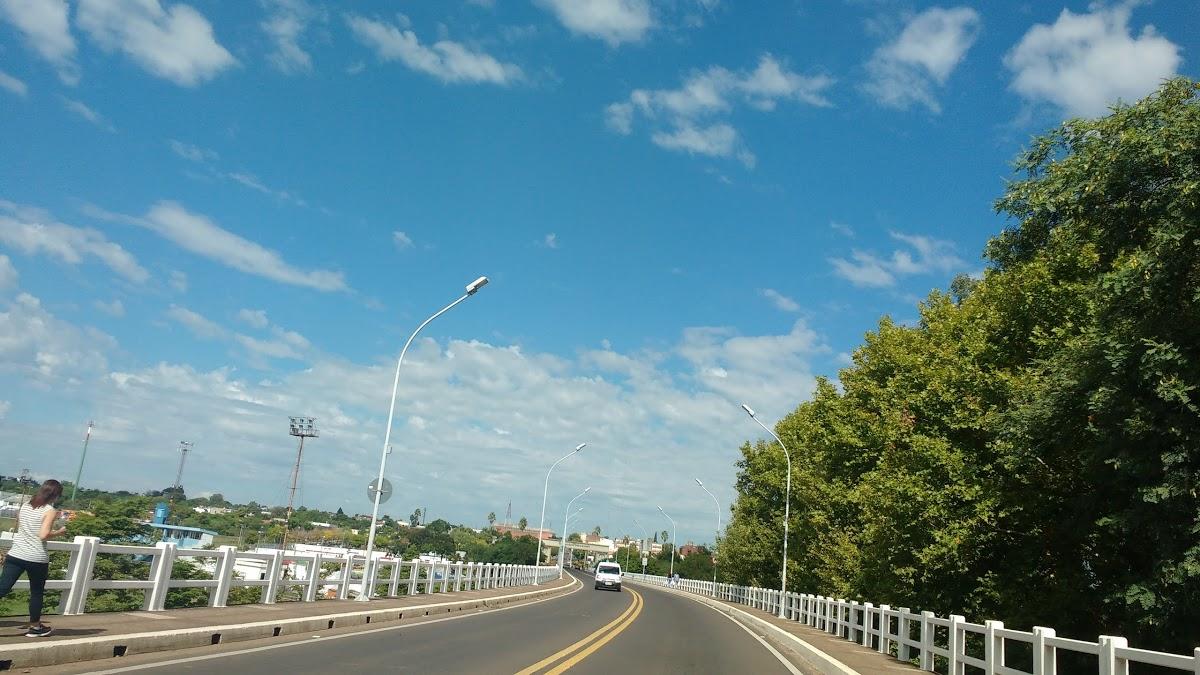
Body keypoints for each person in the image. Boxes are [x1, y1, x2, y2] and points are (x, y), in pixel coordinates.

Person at [0, 479, 67, 637]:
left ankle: (36, 627)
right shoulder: (50, 510)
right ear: (55, 495)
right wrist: (59, 532)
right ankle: (35, 627)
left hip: (16, 554)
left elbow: (23, 525)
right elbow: (43, 535)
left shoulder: (25, 505)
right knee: (36, 593)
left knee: (2, 587)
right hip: (36, 557)